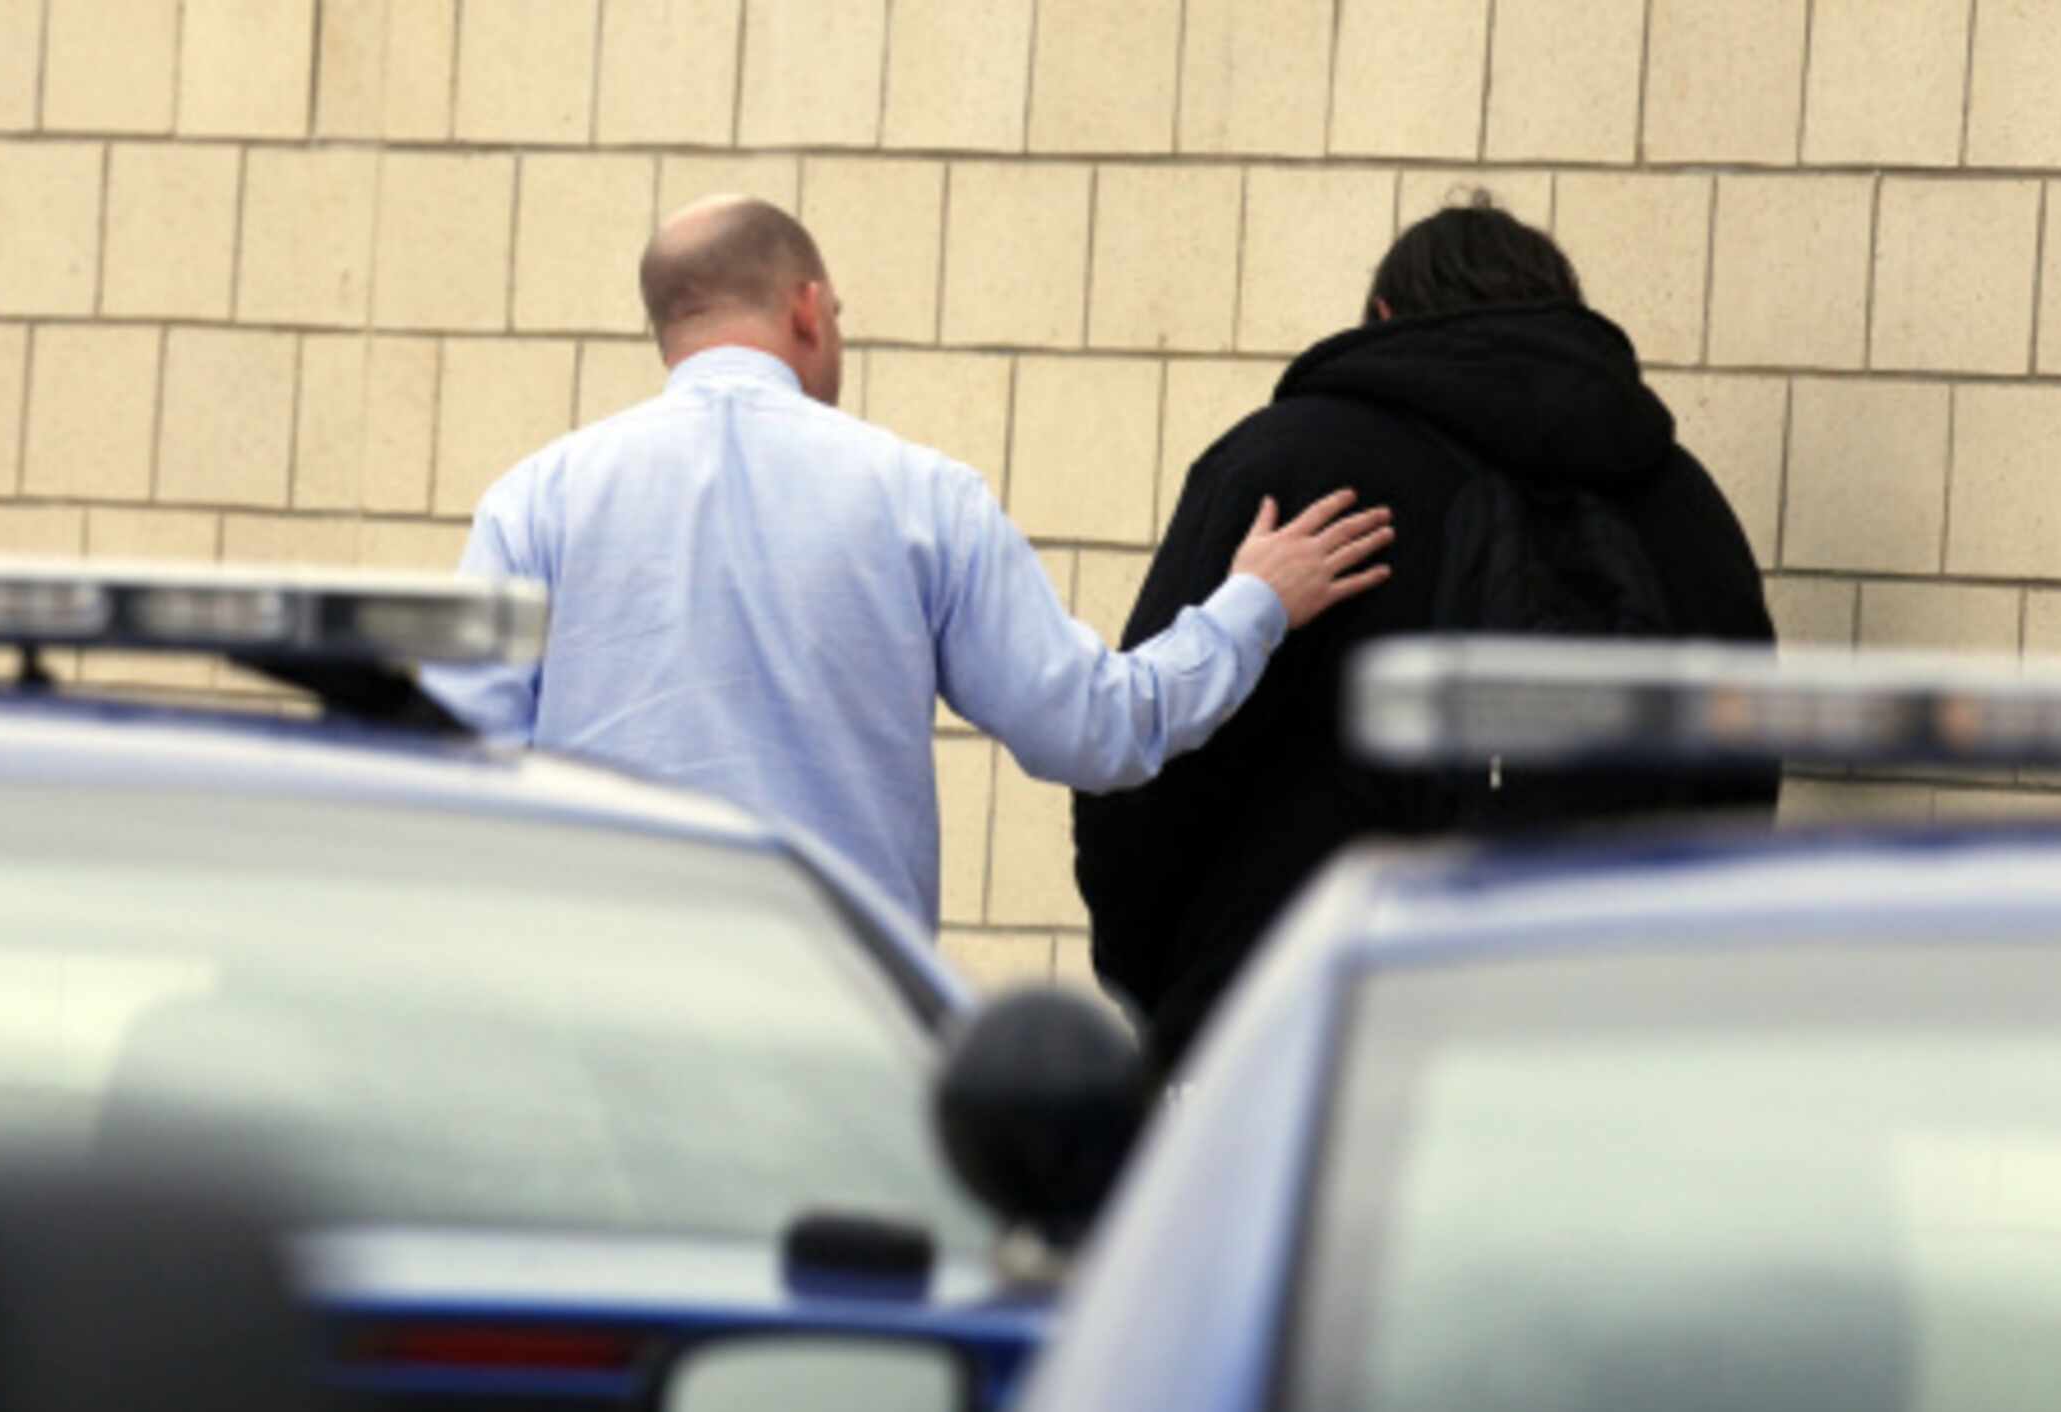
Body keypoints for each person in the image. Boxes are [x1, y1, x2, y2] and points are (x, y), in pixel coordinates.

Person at [428, 196, 1391, 934]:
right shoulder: (918, 498)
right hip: (838, 1011)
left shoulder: (535, 503)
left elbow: (456, 769)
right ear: (807, 309)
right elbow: (1095, 729)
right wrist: (1253, 603)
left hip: (596, 1010)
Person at [1073, 196, 1779, 1071]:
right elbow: (1742, 769)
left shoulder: (1292, 469)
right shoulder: (1678, 500)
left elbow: (1149, 764)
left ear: (1380, 320)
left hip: (1306, 1024)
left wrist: (1164, 985)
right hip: (1604, 1033)